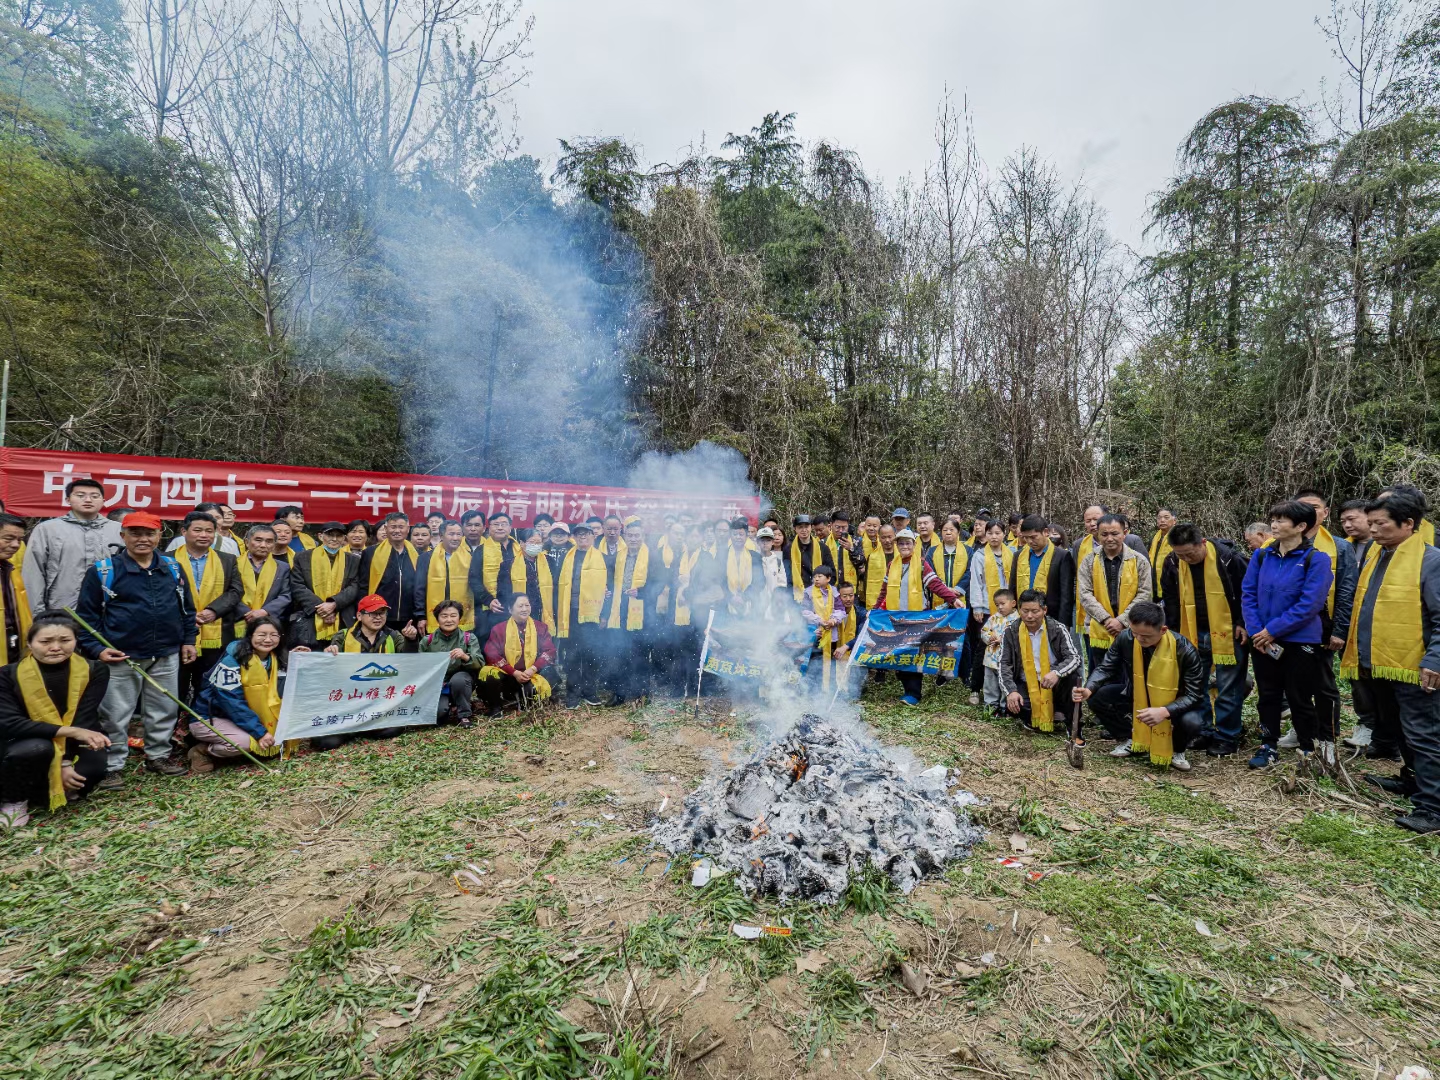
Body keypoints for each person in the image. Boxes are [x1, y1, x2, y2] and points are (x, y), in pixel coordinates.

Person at [1340, 489, 1440, 833]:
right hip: (1380, 662)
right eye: (1372, 523)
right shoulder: (1377, 555)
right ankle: (1410, 781)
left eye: (1380, 523)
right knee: (1398, 730)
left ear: (1408, 524)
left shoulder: (1430, 561)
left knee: (1423, 735)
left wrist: (1435, 660)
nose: (1374, 530)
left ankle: (1432, 808)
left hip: (1414, 666)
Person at [74, 512, 197, 784]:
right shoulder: (104, 571)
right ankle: (113, 764)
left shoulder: (172, 567)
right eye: (135, 533)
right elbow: (86, 617)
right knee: (115, 714)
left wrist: (189, 640)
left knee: (164, 709)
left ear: (159, 536)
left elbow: (187, 609)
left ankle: (158, 756)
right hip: (120, 654)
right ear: (123, 536)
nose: (143, 539)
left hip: (165, 652)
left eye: (149, 533)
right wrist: (97, 649)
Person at [1241, 500, 1334, 769]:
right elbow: (1248, 593)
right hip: (1263, 640)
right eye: (1274, 519)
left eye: (1282, 520)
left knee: (1299, 696)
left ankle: (1307, 747)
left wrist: (1273, 630)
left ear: (1301, 526)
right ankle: (1268, 745)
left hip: (1300, 640)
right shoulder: (1262, 556)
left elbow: (1310, 604)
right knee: (1268, 695)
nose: (1274, 525)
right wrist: (1258, 630)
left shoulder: (1315, 559)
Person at [0, 612, 112, 827]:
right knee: (37, 749)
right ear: (30, 644)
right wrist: (68, 742)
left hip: (70, 738)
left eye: (65, 640)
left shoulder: (94, 670)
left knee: (91, 768)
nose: (55, 647)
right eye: (45, 641)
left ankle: (44, 791)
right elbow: (9, 723)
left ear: (76, 641)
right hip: (22, 740)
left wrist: (66, 759)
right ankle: (14, 799)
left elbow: (84, 718)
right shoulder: (6, 675)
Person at [1073, 601, 1206, 772]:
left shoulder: (1185, 650)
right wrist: (1088, 688)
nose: (1139, 639)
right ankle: (1132, 737)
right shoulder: (1126, 637)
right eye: (1135, 633)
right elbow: (1106, 667)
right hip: (1137, 695)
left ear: (1163, 630)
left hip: (1173, 701)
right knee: (1098, 697)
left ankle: (1176, 749)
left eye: (1146, 636)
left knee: (1192, 721)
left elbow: (1194, 695)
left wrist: (1165, 710)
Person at [1275, 490, 1357, 757]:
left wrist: (1339, 629)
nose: (1308, 513)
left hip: (1321, 629)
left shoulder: (1339, 547)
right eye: (1301, 508)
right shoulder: (1276, 545)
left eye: (1314, 508)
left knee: (1324, 686)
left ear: (1325, 512)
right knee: (1293, 684)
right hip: (1284, 627)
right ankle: (1301, 730)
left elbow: (1345, 591)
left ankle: (1327, 738)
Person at [1162, 522, 1249, 757]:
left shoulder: (1229, 559)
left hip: (1228, 631)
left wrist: (1242, 622)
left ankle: (1227, 736)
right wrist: (1171, 631)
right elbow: (1169, 598)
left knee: (1228, 686)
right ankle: (1202, 731)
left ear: (1202, 543)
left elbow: (1247, 593)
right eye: (1181, 555)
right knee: (1195, 685)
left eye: (1190, 553)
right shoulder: (1172, 562)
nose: (1186, 559)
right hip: (1191, 630)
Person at [873, 528, 964, 705]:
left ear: (914, 545)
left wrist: (953, 600)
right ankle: (908, 690)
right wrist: (875, 610)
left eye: (908, 543)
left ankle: (913, 694)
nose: (904, 546)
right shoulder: (892, 565)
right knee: (899, 655)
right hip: (896, 617)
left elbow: (935, 584)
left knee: (914, 654)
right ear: (897, 545)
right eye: (901, 543)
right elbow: (884, 591)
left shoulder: (922, 564)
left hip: (916, 618)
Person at [189, 617, 291, 772]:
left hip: (244, 717)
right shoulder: (232, 660)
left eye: (274, 635)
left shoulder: (276, 659)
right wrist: (259, 732)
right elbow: (231, 703)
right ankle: (201, 751)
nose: (268, 640)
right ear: (250, 636)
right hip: (212, 716)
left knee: (275, 739)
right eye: (262, 635)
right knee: (245, 743)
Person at [315, 594, 408, 750]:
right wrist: (329, 655)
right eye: (373, 613)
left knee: (395, 728)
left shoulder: (394, 636)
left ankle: (360, 728)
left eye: (382, 613)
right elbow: (330, 671)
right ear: (359, 615)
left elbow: (410, 664)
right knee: (325, 742)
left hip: (381, 700)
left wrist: (411, 641)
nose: (378, 618)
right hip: (349, 701)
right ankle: (356, 728)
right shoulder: (343, 636)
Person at [22, 478, 123, 614]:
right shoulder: (47, 530)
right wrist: (37, 613)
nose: (88, 500)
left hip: (111, 610)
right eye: (80, 495)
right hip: (61, 609)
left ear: (103, 501)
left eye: (95, 496)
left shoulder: (120, 530)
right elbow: (33, 573)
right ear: (68, 500)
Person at [174, 510, 243, 707]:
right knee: (176, 685)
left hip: (217, 632)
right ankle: (173, 729)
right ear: (184, 532)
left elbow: (236, 590)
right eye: (197, 530)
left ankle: (201, 728)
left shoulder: (227, 559)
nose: (204, 535)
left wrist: (214, 610)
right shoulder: (167, 559)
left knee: (208, 684)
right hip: (178, 632)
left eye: (209, 531)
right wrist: (187, 614)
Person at [997, 589, 1082, 733]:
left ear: (1044, 610)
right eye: (1025, 611)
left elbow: (1074, 657)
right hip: (1027, 682)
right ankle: (1036, 718)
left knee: (1073, 680)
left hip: (1053, 681)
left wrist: (1056, 673)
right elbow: (1004, 664)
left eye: (1035, 611)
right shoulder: (1011, 631)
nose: (1029, 616)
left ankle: (1072, 724)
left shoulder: (1057, 629)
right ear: (1019, 610)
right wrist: (1011, 691)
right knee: (1015, 704)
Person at [1077, 513, 1153, 672]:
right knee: (1101, 674)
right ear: (1097, 534)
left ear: (1124, 533)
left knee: (1131, 674)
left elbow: (1145, 594)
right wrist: (1106, 619)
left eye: (1114, 533)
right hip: (1100, 627)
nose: (1109, 538)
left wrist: (1122, 621)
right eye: (1104, 534)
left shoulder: (1138, 561)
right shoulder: (1089, 560)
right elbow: (1084, 593)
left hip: (1131, 627)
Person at [554, 522, 607, 708]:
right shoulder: (567, 557)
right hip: (571, 613)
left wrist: (604, 615)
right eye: (579, 535)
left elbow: (610, 591)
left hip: (593, 614)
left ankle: (589, 692)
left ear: (593, 536)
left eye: (586, 534)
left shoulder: (603, 558)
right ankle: (572, 693)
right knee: (573, 655)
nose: (582, 538)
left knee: (591, 654)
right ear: (573, 538)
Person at [481, 594, 556, 718]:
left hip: (530, 674)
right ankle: (496, 707)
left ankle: (522, 697)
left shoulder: (540, 627)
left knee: (531, 700)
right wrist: (514, 672)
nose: (525, 609)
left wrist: (533, 669)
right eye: (520, 606)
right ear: (510, 609)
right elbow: (492, 654)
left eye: (527, 605)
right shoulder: (499, 629)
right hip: (508, 674)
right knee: (490, 675)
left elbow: (549, 651)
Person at [289, 521, 360, 651]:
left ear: (344, 539)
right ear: (321, 536)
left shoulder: (353, 560)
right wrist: (322, 608)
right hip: (309, 615)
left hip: (342, 615)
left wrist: (333, 604)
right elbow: (297, 585)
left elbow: (355, 586)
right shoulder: (303, 557)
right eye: (330, 535)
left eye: (338, 536)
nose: (334, 539)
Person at [967, 520, 1013, 702]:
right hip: (987, 607)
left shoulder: (1012, 553)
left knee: (1007, 645)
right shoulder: (979, 556)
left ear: (1004, 534)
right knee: (984, 646)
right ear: (985, 535)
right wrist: (977, 606)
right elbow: (976, 582)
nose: (994, 536)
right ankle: (975, 688)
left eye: (998, 533)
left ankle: (1005, 689)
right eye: (990, 533)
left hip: (1008, 608)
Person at [418, 599, 483, 727]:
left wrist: (465, 656)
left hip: (462, 683)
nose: (449, 620)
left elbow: (480, 662)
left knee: (459, 679)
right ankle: (447, 707)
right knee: (439, 714)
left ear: (459, 618)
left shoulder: (469, 638)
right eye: (444, 616)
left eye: (453, 616)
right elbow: (420, 665)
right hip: (437, 685)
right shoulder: (428, 640)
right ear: (437, 619)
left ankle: (464, 715)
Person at [357, 512, 419, 645]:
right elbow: (363, 586)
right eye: (393, 527)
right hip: (379, 616)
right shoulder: (371, 553)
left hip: (409, 617)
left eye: (401, 527)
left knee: (407, 653)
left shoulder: (417, 554)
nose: (397, 530)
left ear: (408, 529)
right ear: (386, 529)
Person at [1008, 515, 1077, 630]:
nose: (1029, 541)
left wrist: (1063, 625)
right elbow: (1013, 587)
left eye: (1033, 537)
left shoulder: (1061, 556)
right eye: (1026, 538)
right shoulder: (1018, 556)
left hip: (1052, 617)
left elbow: (1066, 595)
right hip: (1023, 616)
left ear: (1045, 532)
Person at [800, 564, 855, 692]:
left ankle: (830, 687)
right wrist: (819, 620)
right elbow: (804, 611)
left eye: (820, 576)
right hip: (816, 631)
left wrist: (833, 620)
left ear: (828, 578)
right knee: (815, 659)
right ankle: (814, 687)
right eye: (815, 577)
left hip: (832, 632)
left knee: (831, 660)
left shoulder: (835, 592)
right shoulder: (808, 592)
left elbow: (840, 610)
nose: (816, 579)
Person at [414, 520, 474, 634]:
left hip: (462, 615)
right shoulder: (426, 558)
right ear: (441, 535)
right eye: (451, 534)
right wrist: (421, 616)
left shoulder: (470, 557)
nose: (455, 538)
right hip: (435, 614)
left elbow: (475, 586)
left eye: (459, 534)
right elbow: (419, 589)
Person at [235, 524, 292, 641]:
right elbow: (229, 592)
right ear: (247, 542)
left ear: (274, 545)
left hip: (270, 621)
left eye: (269, 541)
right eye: (258, 540)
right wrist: (248, 613)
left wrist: (264, 611)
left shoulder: (282, 567)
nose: (263, 545)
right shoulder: (233, 564)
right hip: (238, 620)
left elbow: (286, 595)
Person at [470, 511, 519, 638]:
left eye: (504, 524)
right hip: (492, 607)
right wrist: (488, 600)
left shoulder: (519, 549)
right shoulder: (481, 551)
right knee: (491, 645)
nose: (500, 527)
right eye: (496, 524)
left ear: (510, 527)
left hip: (516, 606)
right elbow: (474, 579)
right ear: (489, 528)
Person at [0, 513, 34, 667]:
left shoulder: (10, 569)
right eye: (8, 539)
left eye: (19, 540)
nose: (15, 545)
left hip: (12, 645)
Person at [980, 588, 1019, 710]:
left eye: (1003, 604)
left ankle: (1005, 707)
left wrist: (1002, 640)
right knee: (990, 683)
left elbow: (1018, 637)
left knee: (1005, 683)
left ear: (1013, 603)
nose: (1000, 607)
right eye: (997, 605)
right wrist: (988, 637)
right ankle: (991, 706)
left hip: (1007, 661)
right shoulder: (993, 618)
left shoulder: (1018, 620)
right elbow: (984, 631)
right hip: (991, 658)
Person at [719, 517, 764, 618]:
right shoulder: (722, 556)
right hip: (726, 605)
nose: (738, 537)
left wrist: (744, 597)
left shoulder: (755, 556)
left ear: (746, 536)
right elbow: (719, 580)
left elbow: (760, 582)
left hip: (750, 604)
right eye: (735, 534)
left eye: (741, 534)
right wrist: (731, 597)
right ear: (730, 535)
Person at [785, 515, 834, 601]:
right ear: (795, 529)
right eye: (800, 527)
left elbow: (831, 572)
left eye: (806, 526)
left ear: (811, 527)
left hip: (820, 595)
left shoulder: (823, 548)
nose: (804, 530)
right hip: (796, 595)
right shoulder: (788, 549)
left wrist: (824, 590)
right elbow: (786, 573)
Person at [165, 503, 242, 557]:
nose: (214, 521)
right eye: (209, 517)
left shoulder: (230, 543)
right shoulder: (179, 541)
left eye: (218, 518)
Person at [1148, 508, 1177, 598]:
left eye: (1166, 517)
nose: (1162, 520)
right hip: (1154, 582)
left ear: (1174, 520)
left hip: (1172, 583)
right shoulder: (1155, 538)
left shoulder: (1178, 536)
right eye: (1159, 518)